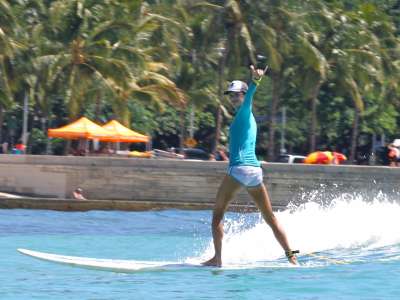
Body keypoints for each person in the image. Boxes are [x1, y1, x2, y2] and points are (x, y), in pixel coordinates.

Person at [202, 65, 298, 267]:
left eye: (237, 95)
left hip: (239, 169)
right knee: (270, 217)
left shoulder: (245, 111)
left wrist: (256, 81)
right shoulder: (246, 118)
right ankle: (292, 256)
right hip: (255, 172)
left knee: (218, 214)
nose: (233, 99)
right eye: (231, 96)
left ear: (244, 95)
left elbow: (250, 97)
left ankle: (217, 259)